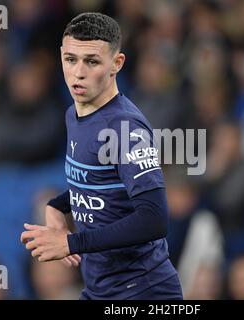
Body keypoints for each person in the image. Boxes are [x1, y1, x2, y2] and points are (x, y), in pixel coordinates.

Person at [20, 12, 183, 300]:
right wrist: (58, 205)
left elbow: (154, 218)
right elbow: (101, 183)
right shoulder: (74, 114)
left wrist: (72, 242)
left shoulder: (124, 128)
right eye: (71, 59)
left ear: (116, 64)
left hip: (143, 290)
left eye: (92, 61)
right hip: (100, 290)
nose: (78, 72)